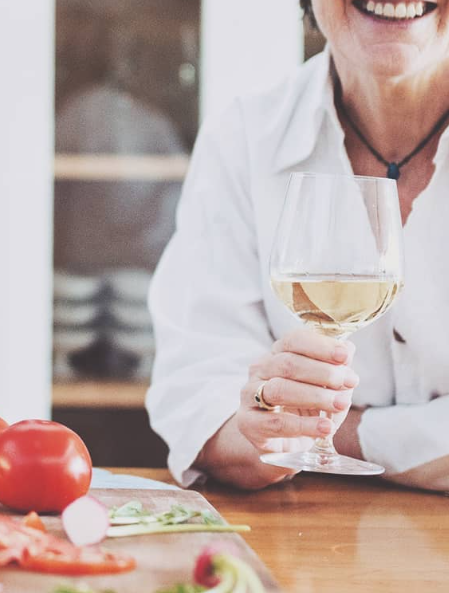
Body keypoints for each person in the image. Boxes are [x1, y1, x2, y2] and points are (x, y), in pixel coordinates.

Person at [147, 0, 449, 492]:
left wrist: (340, 434)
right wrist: (259, 431)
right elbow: (196, 395)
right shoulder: (246, 136)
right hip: (294, 540)